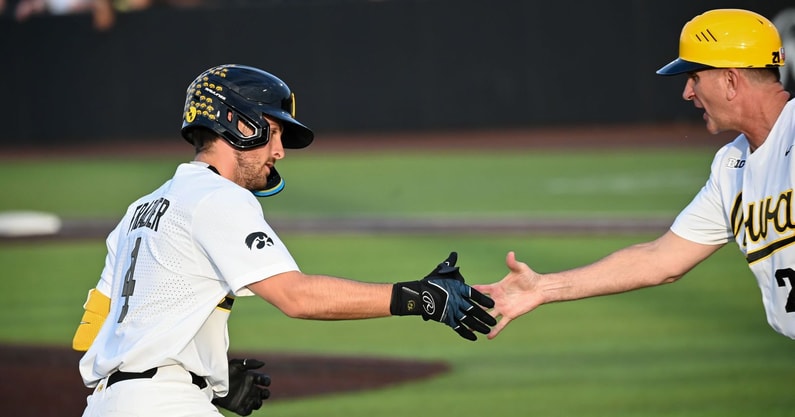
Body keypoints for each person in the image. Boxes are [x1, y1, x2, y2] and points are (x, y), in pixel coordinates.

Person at [72, 63, 496, 417]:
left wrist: (208, 378)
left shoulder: (140, 210)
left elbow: (93, 334)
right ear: (238, 124)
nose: (279, 151)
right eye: (272, 132)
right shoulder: (217, 196)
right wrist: (418, 297)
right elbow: (298, 297)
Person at [474, 8, 794, 340]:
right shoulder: (732, 165)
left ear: (730, 80)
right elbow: (659, 260)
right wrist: (543, 287)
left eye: (695, 77)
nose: (687, 92)